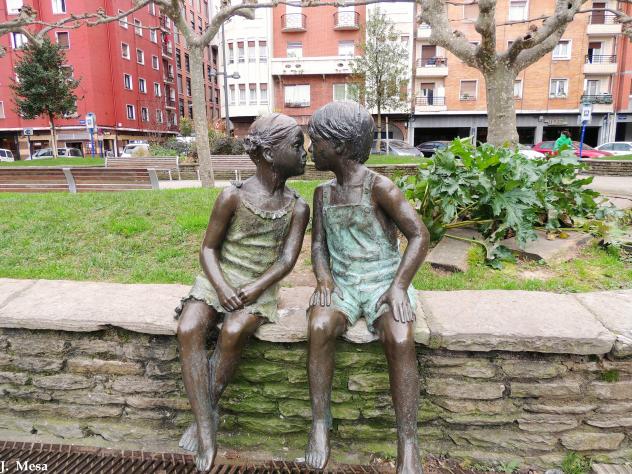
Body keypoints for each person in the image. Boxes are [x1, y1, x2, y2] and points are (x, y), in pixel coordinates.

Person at [175, 113, 310, 471]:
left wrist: (254, 288)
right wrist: (221, 287)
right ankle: (207, 426)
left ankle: (204, 418)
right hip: (218, 277)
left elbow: (286, 260)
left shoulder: (298, 206)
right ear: (269, 154)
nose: (305, 153)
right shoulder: (232, 196)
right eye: (297, 146)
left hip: (260, 284)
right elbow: (208, 249)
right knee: (188, 327)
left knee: (234, 331)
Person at [305, 102, 430, 474]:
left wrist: (399, 287)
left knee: (400, 338)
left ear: (339, 146)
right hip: (342, 282)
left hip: (382, 282)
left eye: (316, 141)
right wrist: (323, 278)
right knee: (319, 326)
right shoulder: (322, 193)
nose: (311, 149)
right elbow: (318, 245)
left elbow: (419, 235)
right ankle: (320, 424)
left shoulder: (381, 187)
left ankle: (408, 441)